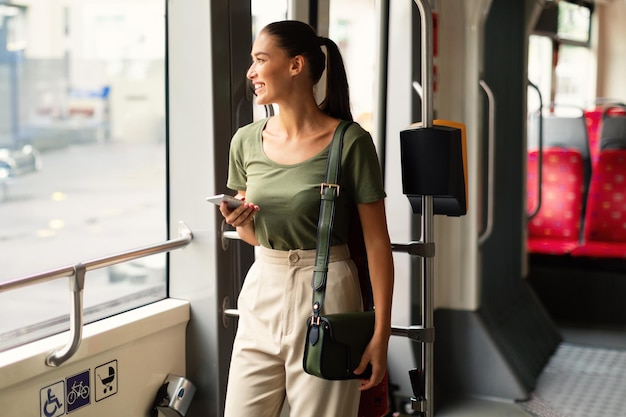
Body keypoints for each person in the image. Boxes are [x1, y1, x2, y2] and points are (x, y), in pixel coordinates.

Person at [219, 20, 394, 417]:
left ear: (296, 65)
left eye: (261, 60)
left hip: (329, 291)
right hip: (263, 287)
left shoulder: (350, 142)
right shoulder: (246, 141)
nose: (251, 72)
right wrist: (240, 222)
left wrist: (380, 335)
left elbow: (377, 243)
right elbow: (255, 238)